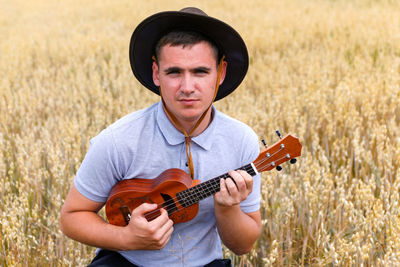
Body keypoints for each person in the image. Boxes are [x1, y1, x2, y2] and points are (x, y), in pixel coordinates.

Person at [60, 7, 262, 267]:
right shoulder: (119, 139)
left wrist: (227, 207)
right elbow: (71, 216)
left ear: (221, 73)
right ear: (156, 73)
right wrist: (128, 238)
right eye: (174, 72)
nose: (187, 87)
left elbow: (243, 245)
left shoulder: (241, 140)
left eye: (200, 72)